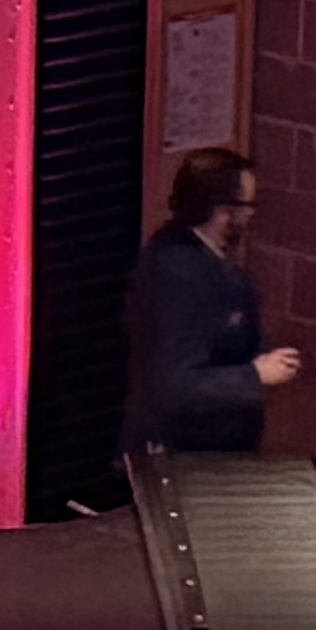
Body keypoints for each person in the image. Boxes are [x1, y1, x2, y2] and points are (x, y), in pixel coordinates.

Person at [123, 142, 299, 464]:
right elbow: (174, 383)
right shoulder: (178, 273)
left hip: (215, 451)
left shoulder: (206, 261)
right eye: (247, 205)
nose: (251, 214)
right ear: (221, 211)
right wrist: (254, 375)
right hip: (185, 456)